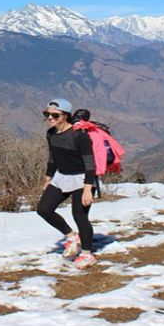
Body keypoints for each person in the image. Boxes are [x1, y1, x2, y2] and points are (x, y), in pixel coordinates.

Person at [36, 99, 98, 269]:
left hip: (82, 179)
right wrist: (48, 179)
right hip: (61, 177)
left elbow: (90, 163)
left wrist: (87, 188)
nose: (50, 117)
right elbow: (52, 158)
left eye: (55, 115)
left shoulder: (79, 136)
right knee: (44, 209)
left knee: (79, 215)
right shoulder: (51, 134)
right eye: (47, 114)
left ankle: (87, 254)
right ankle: (72, 237)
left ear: (66, 116)